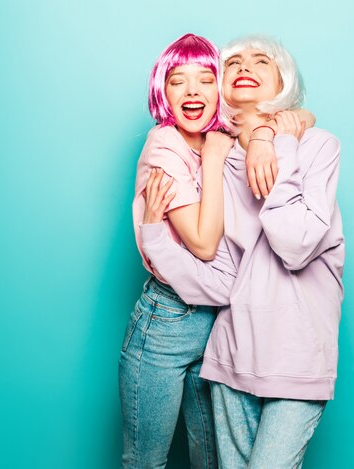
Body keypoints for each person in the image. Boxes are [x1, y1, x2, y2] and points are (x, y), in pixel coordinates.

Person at [140, 35, 345, 468]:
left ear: (283, 82)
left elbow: (294, 244)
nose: (244, 66)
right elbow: (219, 277)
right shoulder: (218, 157)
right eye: (232, 62)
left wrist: (274, 141)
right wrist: (156, 236)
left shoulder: (318, 146)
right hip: (231, 358)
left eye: (261, 60)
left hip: (298, 362)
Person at [118, 33, 233, 469]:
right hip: (167, 321)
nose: (192, 92)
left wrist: (261, 135)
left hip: (220, 322)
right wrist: (215, 161)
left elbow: (289, 116)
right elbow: (203, 244)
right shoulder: (166, 147)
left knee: (213, 460)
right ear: (162, 91)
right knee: (146, 461)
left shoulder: (219, 135)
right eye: (178, 81)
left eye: (205, 80)